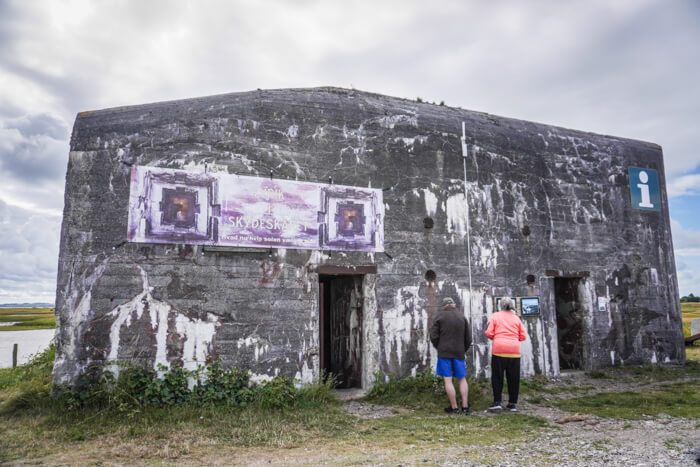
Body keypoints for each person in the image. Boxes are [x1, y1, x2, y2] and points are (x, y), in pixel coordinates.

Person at [429, 297, 472, 415]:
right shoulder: (462, 317)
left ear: (443, 306)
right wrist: (463, 349)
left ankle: (454, 408)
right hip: (459, 352)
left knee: (448, 380)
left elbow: (433, 336)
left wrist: (440, 347)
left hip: (444, 352)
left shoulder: (439, 317)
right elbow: (468, 338)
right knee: (462, 379)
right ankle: (465, 407)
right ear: (454, 305)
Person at [485, 297, 527, 412]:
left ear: (501, 306)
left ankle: (497, 402)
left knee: (497, 377)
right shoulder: (516, 318)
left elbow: (489, 333)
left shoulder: (495, 316)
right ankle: (512, 404)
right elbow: (523, 336)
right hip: (514, 351)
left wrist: (497, 338)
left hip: (499, 350)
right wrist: (513, 339)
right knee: (513, 378)